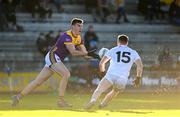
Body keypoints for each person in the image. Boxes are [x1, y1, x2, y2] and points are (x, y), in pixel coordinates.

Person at [11, 18, 97, 108]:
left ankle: (17, 97)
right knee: (66, 74)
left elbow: (85, 54)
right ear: (72, 26)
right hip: (52, 56)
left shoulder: (79, 38)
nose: (81, 28)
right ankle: (61, 101)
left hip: (55, 59)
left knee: (38, 82)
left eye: (81, 26)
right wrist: (87, 53)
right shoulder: (67, 36)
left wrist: (94, 56)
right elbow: (73, 52)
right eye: (78, 26)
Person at [84, 34, 143, 109]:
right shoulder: (133, 52)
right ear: (127, 43)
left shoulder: (113, 50)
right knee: (115, 91)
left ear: (118, 42)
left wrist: (102, 73)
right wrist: (138, 78)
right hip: (123, 78)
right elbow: (140, 66)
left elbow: (101, 63)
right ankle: (103, 104)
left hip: (111, 74)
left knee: (99, 89)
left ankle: (93, 101)